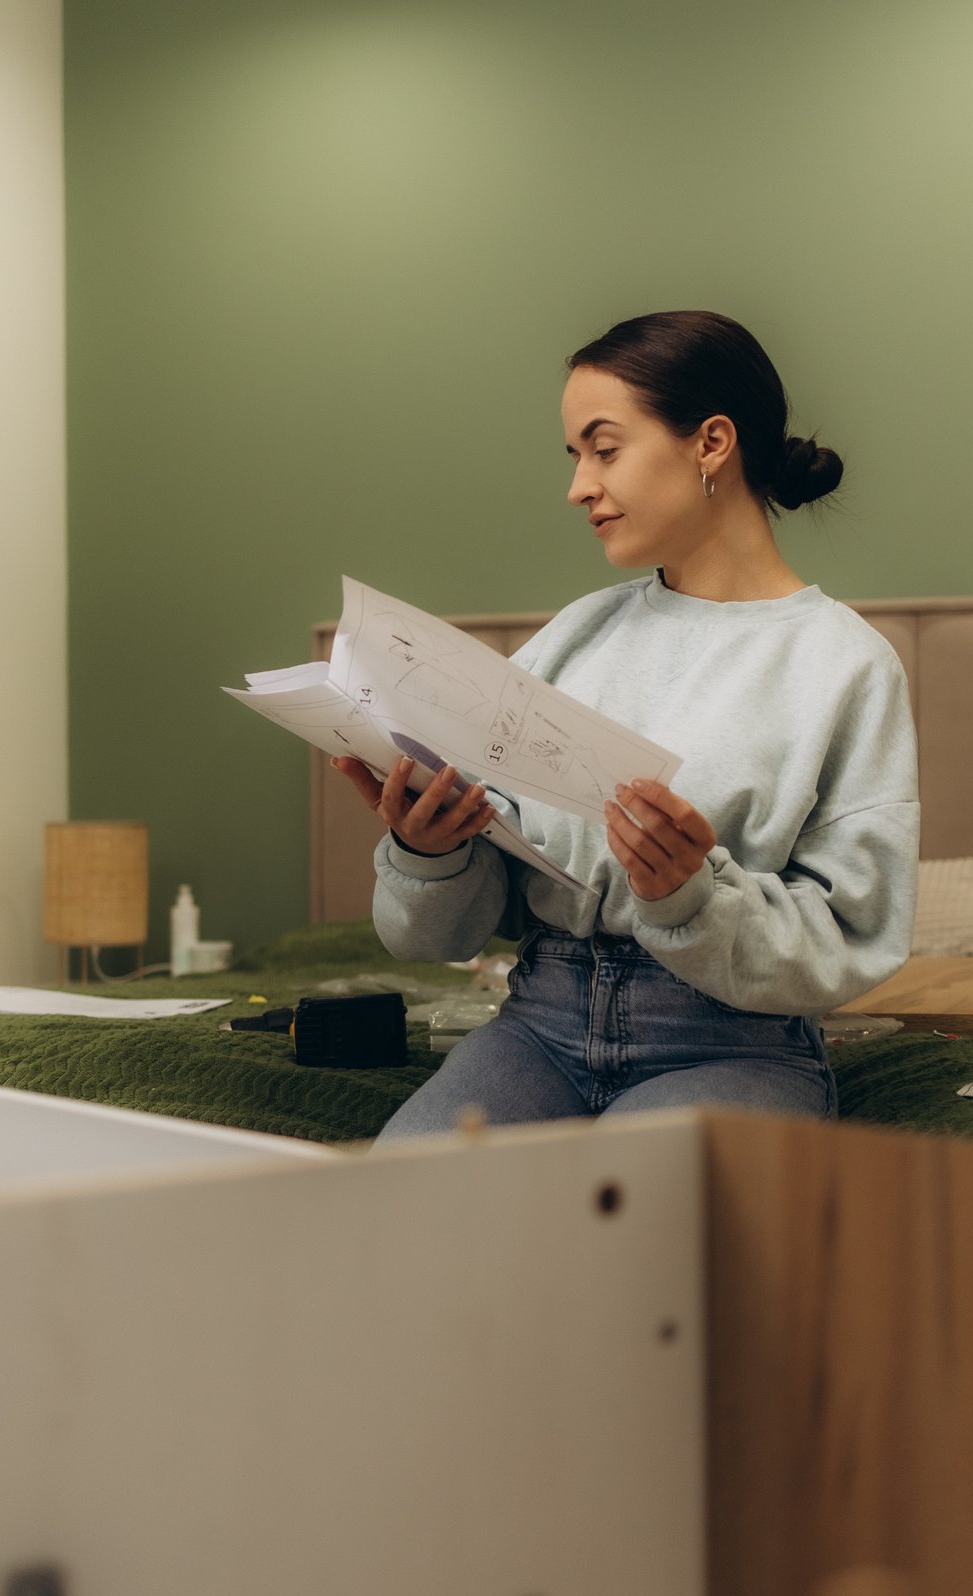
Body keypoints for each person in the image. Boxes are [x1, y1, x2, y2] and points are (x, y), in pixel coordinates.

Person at [333, 310, 918, 1139]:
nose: (579, 486)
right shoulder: (573, 637)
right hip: (535, 1030)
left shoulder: (845, 665)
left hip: (732, 1046)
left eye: (604, 450)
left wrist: (691, 897)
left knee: (623, 1236)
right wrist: (433, 852)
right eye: (576, 457)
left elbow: (850, 940)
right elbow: (449, 933)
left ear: (711, 443)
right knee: (405, 1212)